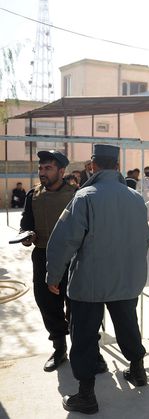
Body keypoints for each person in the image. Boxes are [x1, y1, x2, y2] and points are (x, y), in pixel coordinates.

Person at [46, 144, 149, 414]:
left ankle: (86, 395)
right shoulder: (135, 198)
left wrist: (53, 275)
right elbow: (145, 238)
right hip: (126, 281)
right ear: (117, 166)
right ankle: (138, 371)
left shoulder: (85, 197)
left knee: (83, 335)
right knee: (128, 326)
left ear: (93, 165)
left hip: (89, 283)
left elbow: (63, 241)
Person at [18, 151, 76, 372]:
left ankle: (86, 349)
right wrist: (27, 235)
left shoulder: (76, 195)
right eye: (40, 168)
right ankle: (60, 348)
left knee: (77, 305)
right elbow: (26, 224)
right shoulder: (33, 195)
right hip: (42, 256)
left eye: (48, 168)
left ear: (61, 171)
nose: (42, 173)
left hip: (71, 259)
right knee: (48, 305)